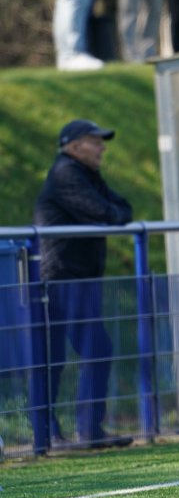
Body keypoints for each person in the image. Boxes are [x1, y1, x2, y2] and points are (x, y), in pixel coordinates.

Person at [34, 119, 134, 450]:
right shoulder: (66, 173)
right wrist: (110, 214)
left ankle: (75, 430)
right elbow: (106, 212)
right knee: (65, 353)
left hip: (77, 277)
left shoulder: (86, 173)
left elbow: (123, 209)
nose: (102, 147)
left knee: (77, 351)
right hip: (63, 277)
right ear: (74, 146)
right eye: (95, 141)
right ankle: (63, 431)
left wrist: (111, 213)